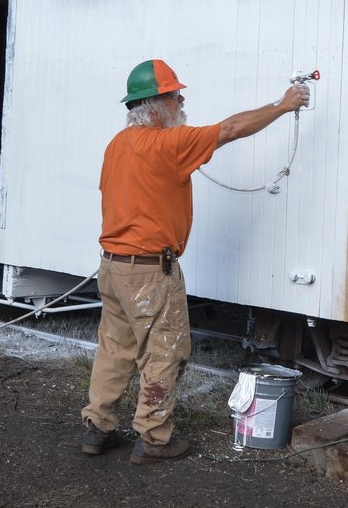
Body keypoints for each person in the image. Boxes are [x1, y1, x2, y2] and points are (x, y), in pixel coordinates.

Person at [80, 59, 310, 463]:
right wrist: (283, 104)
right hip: (150, 272)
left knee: (114, 349)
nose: (182, 99)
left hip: (112, 267)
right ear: (154, 104)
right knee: (165, 350)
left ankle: (97, 429)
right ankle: (153, 438)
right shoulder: (168, 144)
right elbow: (232, 129)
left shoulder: (118, 144)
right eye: (175, 94)